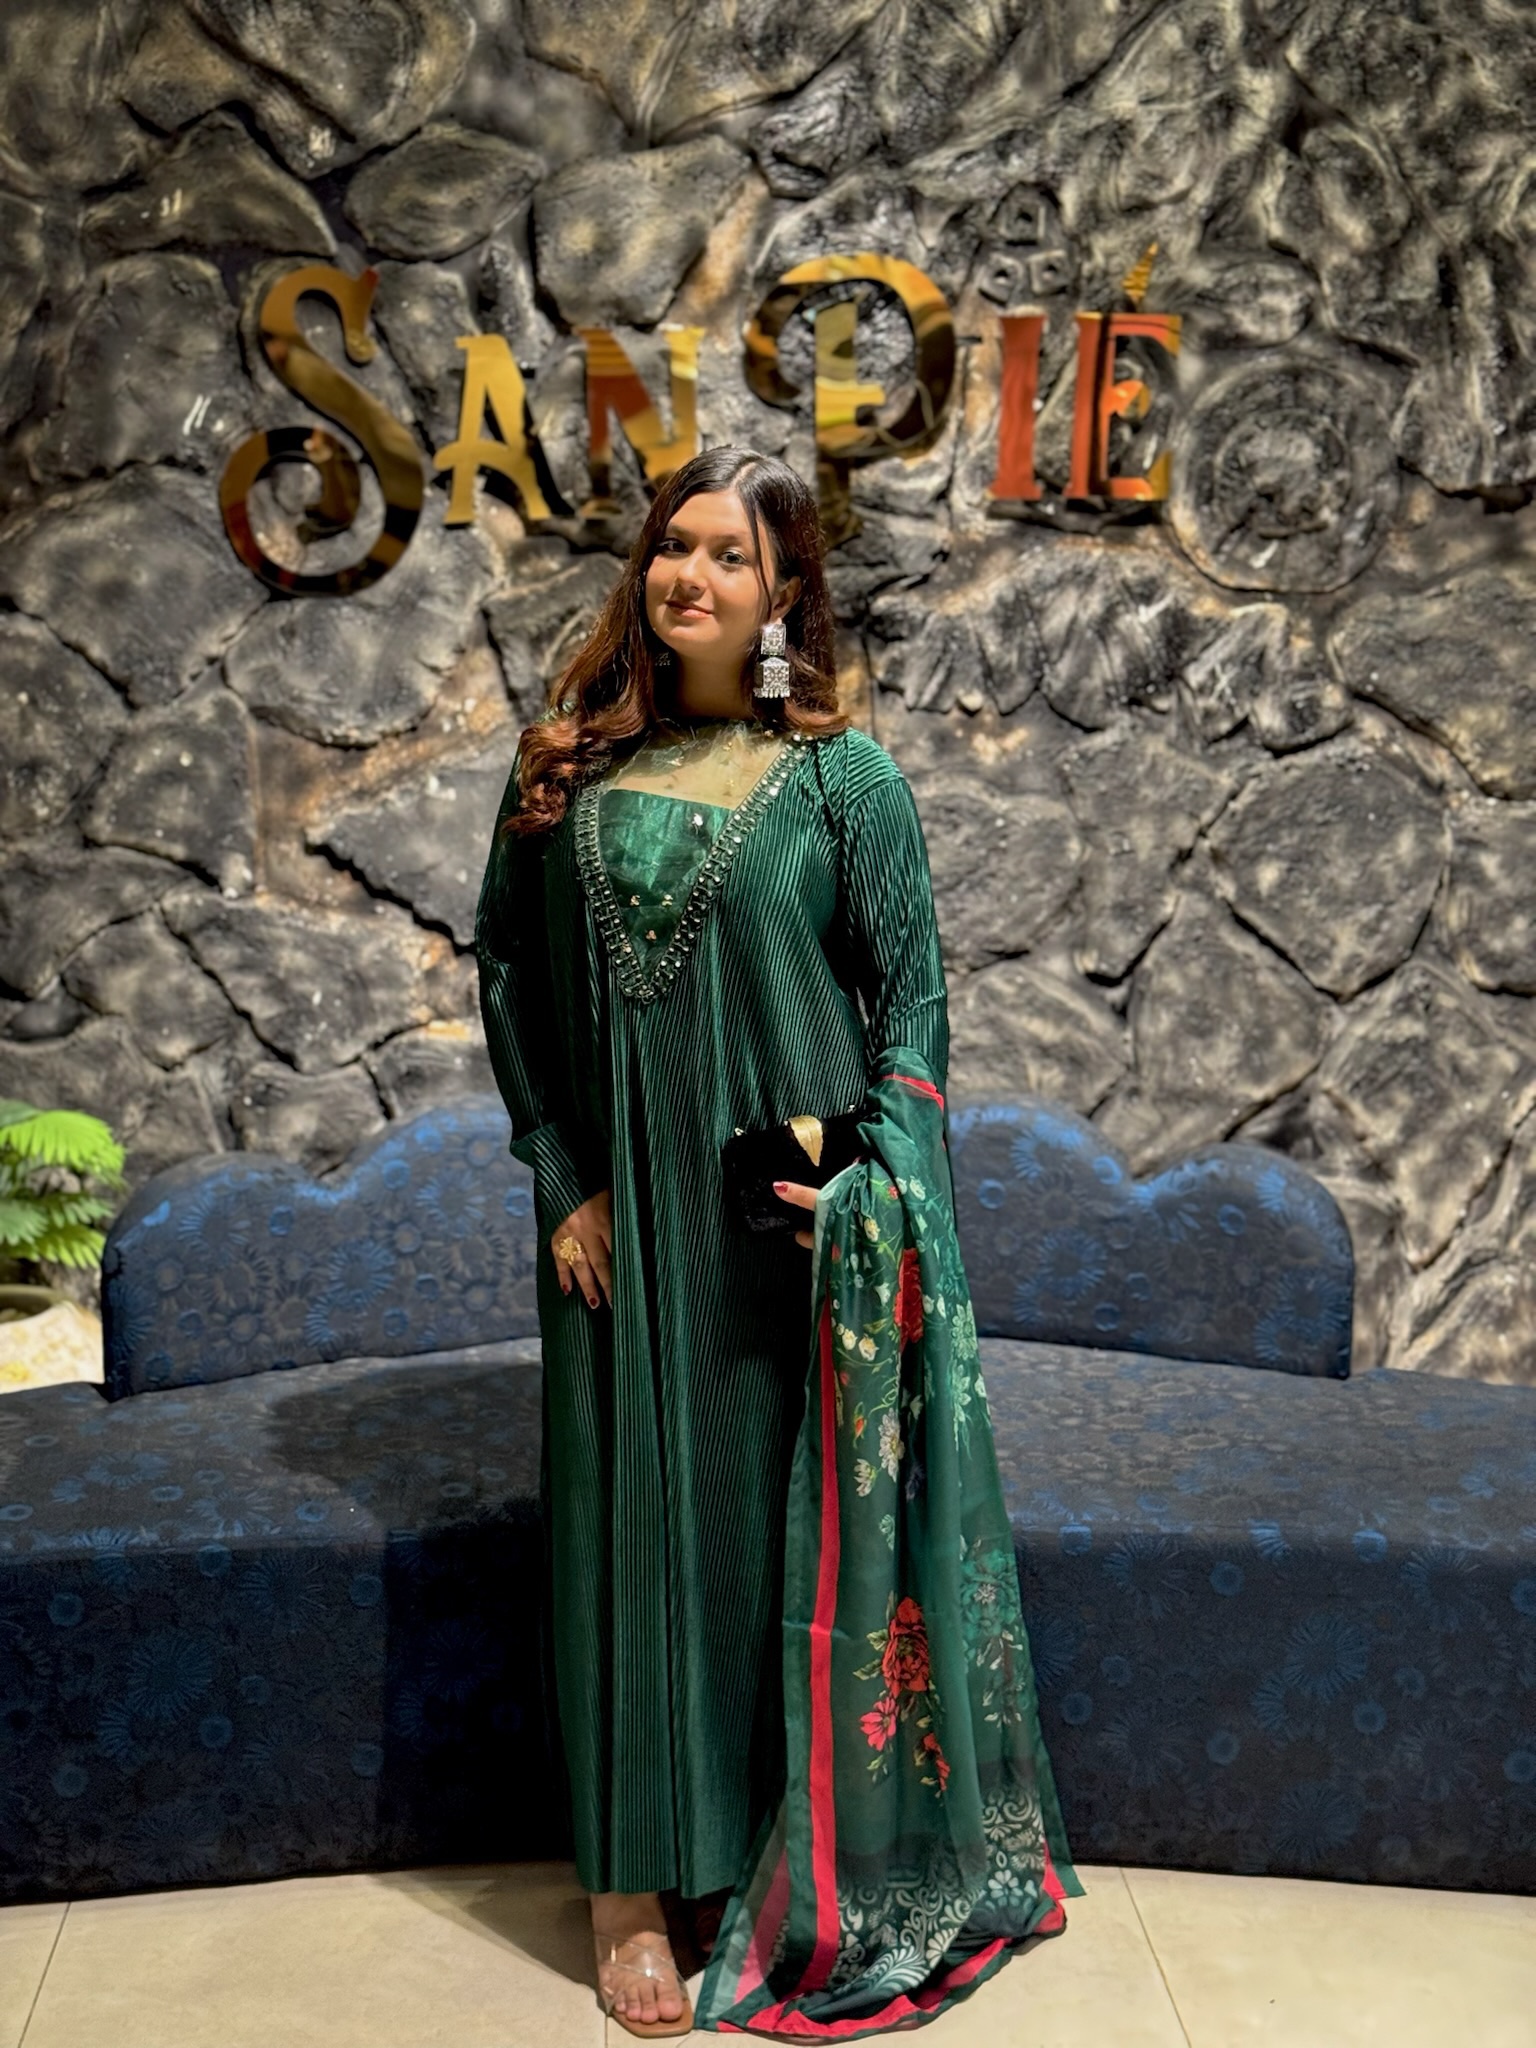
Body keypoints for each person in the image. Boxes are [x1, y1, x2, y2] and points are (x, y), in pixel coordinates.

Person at [474, 446, 1076, 2040]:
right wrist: (563, 1175)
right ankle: (628, 1891)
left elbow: (913, 1005)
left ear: (785, 590)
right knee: (624, 1530)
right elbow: (508, 975)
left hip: (791, 1237)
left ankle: (763, 1854)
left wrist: (876, 1183)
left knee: (771, 1540)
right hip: (623, 1233)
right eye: (674, 546)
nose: (692, 576)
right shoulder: (565, 768)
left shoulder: (841, 782)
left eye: (730, 556)